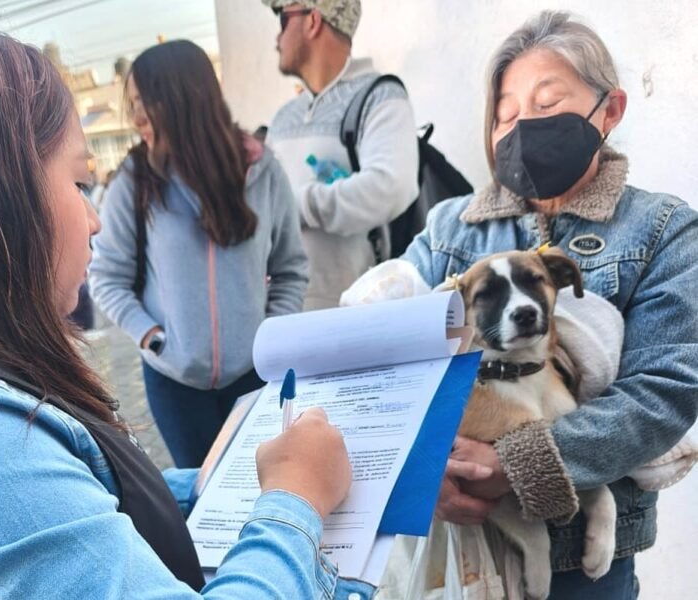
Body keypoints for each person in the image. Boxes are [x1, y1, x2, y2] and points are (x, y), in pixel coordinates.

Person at [0, 27, 359, 599]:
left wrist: (211, 483)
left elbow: (79, 499)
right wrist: (294, 497)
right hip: (177, 378)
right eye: (79, 181)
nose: (94, 220)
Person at [395, 11, 697, 598]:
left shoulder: (663, 231)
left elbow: (666, 387)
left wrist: (517, 462)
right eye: (506, 115)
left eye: (547, 102)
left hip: (586, 558)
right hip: (460, 557)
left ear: (609, 110)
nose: (522, 127)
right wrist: (418, 474)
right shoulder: (445, 229)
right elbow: (384, 366)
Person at [88, 40, 308, 469]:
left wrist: (270, 331)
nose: (136, 119)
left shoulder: (264, 171)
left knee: (258, 486)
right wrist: (152, 336)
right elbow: (106, 276)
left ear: (179, 100)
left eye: (142, 103)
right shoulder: (135, 181)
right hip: (174, 383)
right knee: (204, 501)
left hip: (254, 377)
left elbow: (290, 268)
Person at [263, 0, 419, 310]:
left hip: (356, 317)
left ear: (313, 21)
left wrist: (296, 206)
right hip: (282, 317)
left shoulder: (381, 98)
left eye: (282, 18)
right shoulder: (282, 119)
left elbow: (389, 188)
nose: (276, 39)